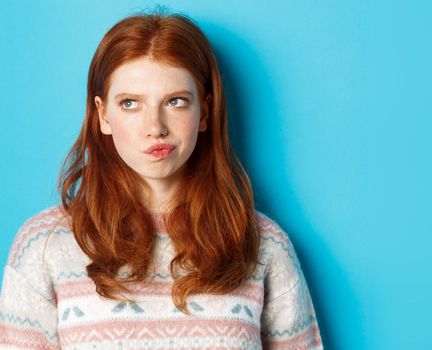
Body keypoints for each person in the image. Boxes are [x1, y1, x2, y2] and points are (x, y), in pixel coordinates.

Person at [0, 11, 322, 349]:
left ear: (204, 112)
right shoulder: (44, 246)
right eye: (130, 103)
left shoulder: (263, 245)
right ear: (103, 115)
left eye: (176, 101)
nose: (155, 126)